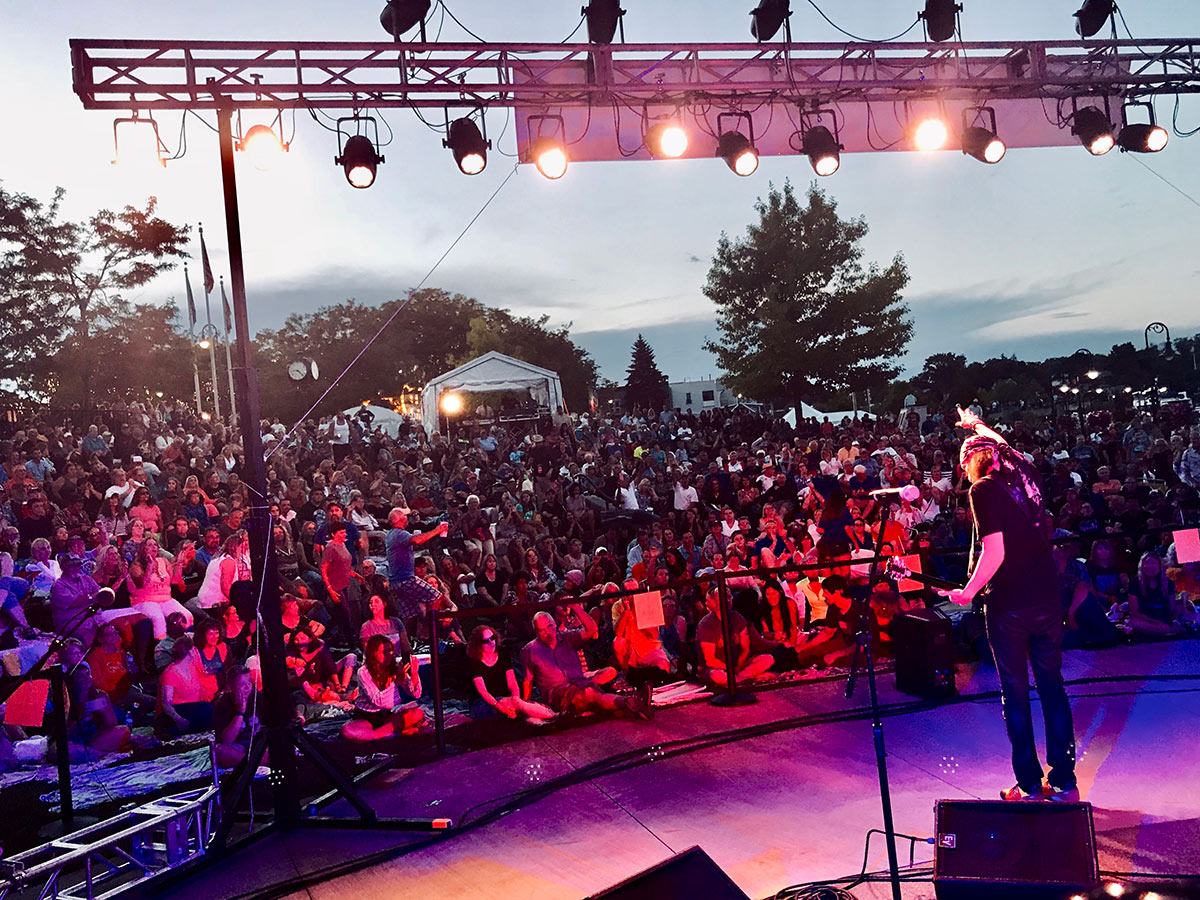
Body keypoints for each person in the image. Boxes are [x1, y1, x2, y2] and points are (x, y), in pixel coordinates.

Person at [938, 405, 1077, 803]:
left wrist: (968, 591)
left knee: (1015, 692)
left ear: (972, 460)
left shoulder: (982, 489)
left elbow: (993, 552)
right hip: (1047, 597)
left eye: (963, 465)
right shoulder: (1025, 472)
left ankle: (1030, 783)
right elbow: (1000, 443)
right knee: (1053, 687)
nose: (962, 473)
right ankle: (1064, 781)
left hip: (1010, 604)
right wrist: (974, 424)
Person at [521, 608, 649, 718]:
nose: (548, 632)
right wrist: (526, 707)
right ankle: (630, 700)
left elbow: (592, 629)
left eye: (549, 626)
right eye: (542, 630)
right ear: (536, 632)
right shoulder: (529, 650)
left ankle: (630, 706)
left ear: (554, 624)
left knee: (595, 692)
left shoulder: (566, 638)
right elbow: (528, 680)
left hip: (580, 683)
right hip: (558, 694)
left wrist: (575, 607)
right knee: (589, 694)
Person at [341, 634, 424, 740]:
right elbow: (378, 701)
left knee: (417, 713)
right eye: (384, 652)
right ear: (374, 654)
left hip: (387, 716)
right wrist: (396, 681)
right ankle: (393, 734)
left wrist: (414, 674)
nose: (389, 655)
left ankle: (377, 735)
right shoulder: (363, 672)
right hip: (366, 717)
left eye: (390, 651)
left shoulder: (395, 668)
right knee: (347, 731)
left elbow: (416, 694)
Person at [466, 625, 555, 722]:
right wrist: (500, 707)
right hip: (483, 703)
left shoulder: (503, 656)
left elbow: (512, 683)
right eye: (485, 641)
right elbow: (483, 692)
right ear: (478, 645)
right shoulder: (475, 662)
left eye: (492, 638)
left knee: (517, 704)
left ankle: (549, 716)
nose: (491, 643)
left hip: (506, 700)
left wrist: (515, 699)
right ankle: (553, 716)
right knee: (518, 706)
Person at [385, 507, 449, 639]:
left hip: (395, 582)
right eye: (405, 516)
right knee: (436, 596)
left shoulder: (391, 534)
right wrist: (438, 530)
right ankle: (430, 633)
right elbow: (416, 540)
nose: (407, 518)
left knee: (409, 615)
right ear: (400, 519)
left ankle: (405, 644)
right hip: (405, 579)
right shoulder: (399, 533)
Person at [695, 587, 774, 688]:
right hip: (716, 669)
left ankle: (738, 680)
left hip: (738, 667)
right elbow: (710, 660)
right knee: (717, 676)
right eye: (722, 598)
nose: (727, 600)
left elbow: (746, 649)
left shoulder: (737, 617)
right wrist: (729, 668)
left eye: (729, 597)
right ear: (714, 602)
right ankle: (745, 680)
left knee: (767, 659)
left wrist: (738, 666)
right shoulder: (706, 625)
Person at [213, 664, 257, 767]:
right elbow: (225, 741)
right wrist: (240, 712)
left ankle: (253, 762)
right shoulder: (222, 703)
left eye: (249, 682)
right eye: (242, 684)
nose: (247, 687)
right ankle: (252, 763)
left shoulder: (257, 697)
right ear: (230, 687)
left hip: (257, 746)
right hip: (237, 748)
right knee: (219, 750)